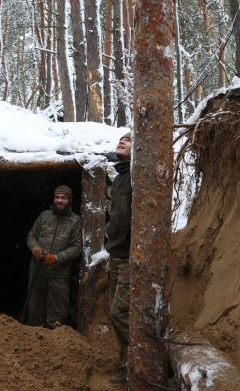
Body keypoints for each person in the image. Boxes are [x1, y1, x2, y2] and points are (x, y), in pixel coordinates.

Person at [25, 185, 82, 328]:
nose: (60, 200)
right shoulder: (44, 216)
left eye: (63, 198)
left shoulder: (75, 221)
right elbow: (31, 236)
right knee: (34, 313)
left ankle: (54, 348)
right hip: (37, 271)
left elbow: (77, 247)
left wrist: (57, 258)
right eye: (57, 197)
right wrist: (35, 247)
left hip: (59, 275)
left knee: (56, 319)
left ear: (69, 200)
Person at [105, 131, 132, 383]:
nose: (122, 141)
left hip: (129, 257)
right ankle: (126, 363)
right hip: (116, 255)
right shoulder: (120, 177)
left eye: (129, 140)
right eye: (121, 139)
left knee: (119, 313)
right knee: (115, 311)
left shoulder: (136, 176)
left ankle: (135, 364)